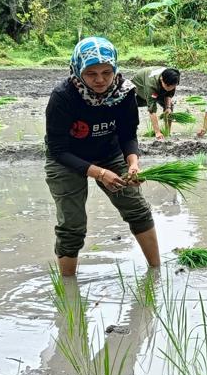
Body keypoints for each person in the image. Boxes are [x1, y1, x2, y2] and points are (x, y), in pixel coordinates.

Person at [44, 37, 159, 277]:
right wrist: (99, 173)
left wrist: (133, 163)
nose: (100, 80)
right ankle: (68, 286)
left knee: (137, 209)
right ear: (78, 70)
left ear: (115, 68)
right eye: (91, 73)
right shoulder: (63, 97)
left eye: (107, 72)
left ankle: (157, 273)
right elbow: (57, 149)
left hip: (109, 153)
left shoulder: (124, 93)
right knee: (72, 224)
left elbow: (128, 135)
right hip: (67, 158)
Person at [131, 66, 181, 139]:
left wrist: (168, 107)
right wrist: (157, 132)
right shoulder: (151, 85)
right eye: (167, 86)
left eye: (172, 86)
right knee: (133, 105)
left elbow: (168, 94)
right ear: (161, 79)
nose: (169, 88)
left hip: (158, 88)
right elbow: (152, 109)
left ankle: (168, 131)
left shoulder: (173, 79)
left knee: (170, 107)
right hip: (139, 87)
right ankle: (131, 127)